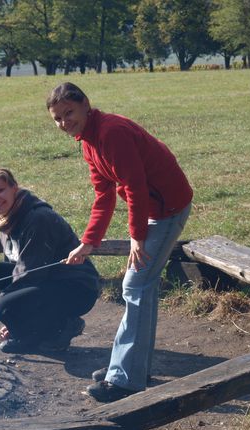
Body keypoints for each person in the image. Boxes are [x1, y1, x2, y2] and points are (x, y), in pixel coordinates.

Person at [46, 82, 193, 402]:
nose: (63, 123)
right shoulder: (87, 141)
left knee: (135, 285)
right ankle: (133, 366)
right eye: (57, 118)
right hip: (153, 209)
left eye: (68, 113)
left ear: (86, 104)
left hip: (167, 208)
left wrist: (137, 238)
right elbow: (104, 196)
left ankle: (125, 379)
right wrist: (88, 242)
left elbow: (136, 188)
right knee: (143, 286)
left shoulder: (112, 133)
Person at [0, 167, 100, 353]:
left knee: (4, 305)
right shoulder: (7, 220)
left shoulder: (38, 218)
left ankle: (54, 331)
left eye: (0, 190)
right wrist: (9, 317)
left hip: (75, 287)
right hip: (46, 280)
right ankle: (24, 330)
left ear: (14, 189)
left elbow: (29, 274)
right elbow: (15, 266)